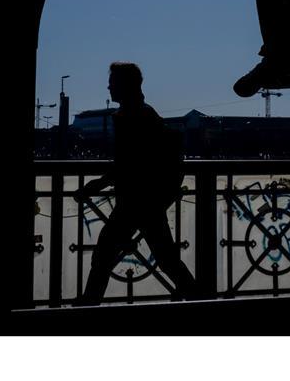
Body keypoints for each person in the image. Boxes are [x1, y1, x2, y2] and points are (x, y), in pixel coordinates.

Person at [74, 62, 198, 304]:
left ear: (124, 85)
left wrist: (98, 184)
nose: (108, 86)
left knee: (104, 255)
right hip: (148, 199)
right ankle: (200, 299)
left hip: (135, 201)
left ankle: (87, 305)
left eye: (113, 82)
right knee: (165, 258)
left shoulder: (132, 116)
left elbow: (128, 163)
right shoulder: (144, 113)